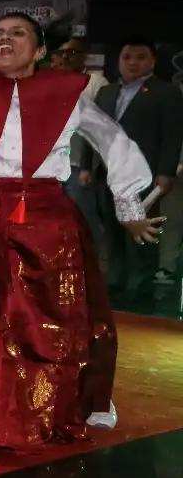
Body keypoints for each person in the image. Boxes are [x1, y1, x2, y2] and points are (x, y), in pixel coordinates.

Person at [0, 0, 160, 454]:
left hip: (45, 218)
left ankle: (53, 406)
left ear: (40, 51)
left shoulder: (66, 92)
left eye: (17, 33)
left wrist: (129, 206)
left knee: (50, 322)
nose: (3, 39)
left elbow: (112, 141)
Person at [77, 38, 182, 302]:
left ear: (152, 61)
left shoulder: (166, 92)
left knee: (141, 230)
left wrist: (166, 171)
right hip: (107, 172)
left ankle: (141, 283)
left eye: (140, 57)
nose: (133, 63)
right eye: (127, 57)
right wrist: (87, 166)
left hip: (144, 174)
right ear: (119, 60)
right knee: (111, 228)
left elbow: (172, 135)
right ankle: (115, 279)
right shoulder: (107, 92)